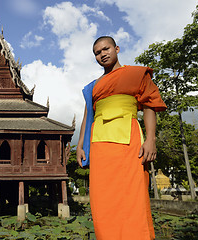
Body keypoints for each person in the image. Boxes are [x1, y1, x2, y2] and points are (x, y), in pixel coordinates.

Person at [76, 36, 167, 240]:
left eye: (106, 49)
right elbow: (87, 117)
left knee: (132, 195)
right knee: (102, 198)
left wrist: (150, 139)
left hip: (128, 141)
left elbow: (150, 104)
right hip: (99, 145)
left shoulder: (135, 74)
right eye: (97, 53)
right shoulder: (94, 86)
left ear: (116, 48)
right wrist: (80, 145)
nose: (102, 54)